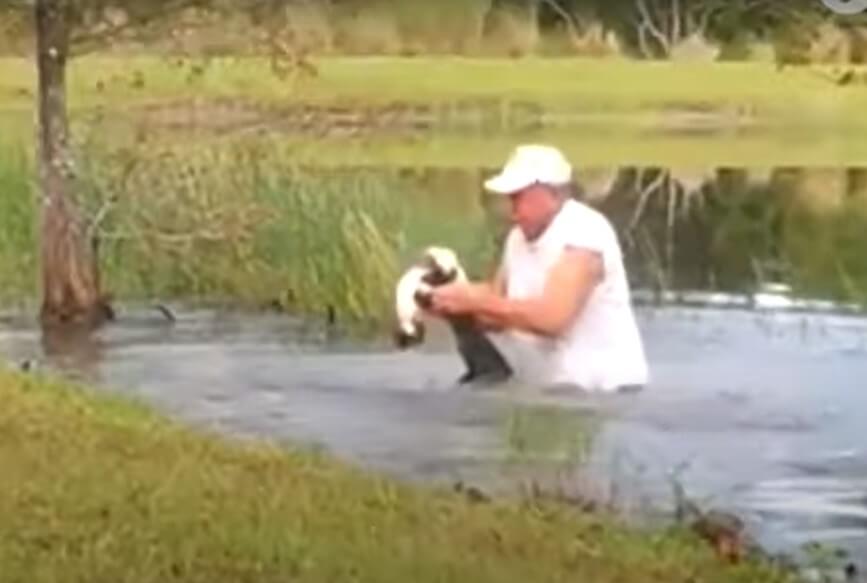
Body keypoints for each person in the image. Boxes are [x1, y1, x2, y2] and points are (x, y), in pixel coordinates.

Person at [427, 144, 649, 392]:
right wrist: (447, 299)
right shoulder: (517, 238)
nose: (512, 209)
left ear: (553, 194)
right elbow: (496, 311)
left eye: (518, 197)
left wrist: (472, 301)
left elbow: (552, 318)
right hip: (551, 390)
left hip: (605, 392)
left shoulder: (585, 234)